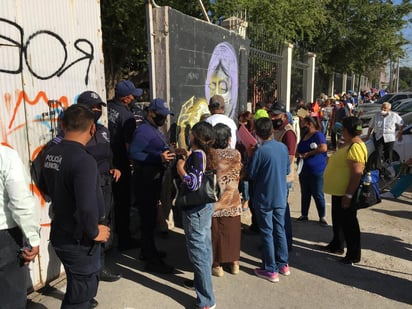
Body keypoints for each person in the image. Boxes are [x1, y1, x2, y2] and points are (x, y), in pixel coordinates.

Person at [42, 104, 111, 308]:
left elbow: (44, 186)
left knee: (77, 288)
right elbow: (87, 205)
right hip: (79, 240)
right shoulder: (84, 161)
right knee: (82, 294)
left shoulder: (50, 153)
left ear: (63, 125)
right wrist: (94, 232)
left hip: (61, 232)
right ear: (92, 129)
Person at [77, 90, 122, 282]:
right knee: (92, 224)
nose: (97, 110)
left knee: (105, 221)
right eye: (93, 107)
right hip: (89, 184)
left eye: (99, 107)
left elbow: (108, 153)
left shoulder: (103, 130)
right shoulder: (77, 132)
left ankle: (100, 264)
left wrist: (113, 168)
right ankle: (92, 269)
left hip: (106, 182)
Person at [129, 98, 175, 274]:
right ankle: (151, 260)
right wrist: (159, 158)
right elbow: (133, 153)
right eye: (161, 115)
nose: (164, 118)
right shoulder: (143, 131)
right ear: (151, 113)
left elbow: (153, 148)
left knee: (149, 219)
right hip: (145, 180)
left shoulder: (152, 129)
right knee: (148, 221)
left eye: (165, 115)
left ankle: (147, 251)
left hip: (153, 178)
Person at [176, 121, 217, 309]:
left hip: (196, 209)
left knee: (198, 252)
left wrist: (181, 168)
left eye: (191, 133)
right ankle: (201, 283)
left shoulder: (199, 155)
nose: (188, 135)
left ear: (195, 137)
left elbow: (193, 183)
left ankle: (206, 300)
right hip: (204, 207)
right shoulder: (202, 153)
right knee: (204, 248)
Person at [247, 117, 290, 283]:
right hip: (280, 196)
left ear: (257, 133)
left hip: (264, 198)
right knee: (280, 230)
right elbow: (286, 170)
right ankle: (283, 264)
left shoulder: (259, 151)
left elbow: (251, 174)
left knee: (267, 232)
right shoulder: (282, 148)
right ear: (272, 131)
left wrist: (250, 155)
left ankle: (270, 269)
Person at [0, 145, 40, 309]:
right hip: (4, 235)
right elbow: (21, 202)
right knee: (10, 299)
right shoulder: (5, 155)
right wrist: (33, 237)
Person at [323, 116, 367, 264]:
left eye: (343, 130)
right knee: (338, 220)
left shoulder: (356, 147)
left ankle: (353, 254)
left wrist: (348, 195)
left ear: (348, 130)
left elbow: (356, 173)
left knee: (349, 224)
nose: (341, 132)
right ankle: (337, 245)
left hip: (346, 192)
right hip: (339, 190)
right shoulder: (349, 144)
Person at [107, 80, 142, 251]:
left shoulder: (107, 108)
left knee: (108, 202)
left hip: (105, 161)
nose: (135, 97)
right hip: (120, 163)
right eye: (133, 95)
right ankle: (124, 240)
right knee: (122, 203)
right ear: (126, 98)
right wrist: (134, 160)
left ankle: (109, 239)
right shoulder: (127, 117)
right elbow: (129, 145)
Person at [211, 123, 242, 277]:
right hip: (233, 199)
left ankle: (217, 265)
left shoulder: (211, 155)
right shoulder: (236, 154)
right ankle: (234, 263)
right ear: (229, 139)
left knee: (215, 233)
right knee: (232, 233)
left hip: (216, 201)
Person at [271, 106, 297, 250]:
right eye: (271, 116)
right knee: (276, 213)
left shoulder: (288, 133)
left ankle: (285, 244)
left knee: (282, 213)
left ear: (283, 116)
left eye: (275, 116)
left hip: (283, 177)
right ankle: (276, 243)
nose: (273, 118)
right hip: (275, 176)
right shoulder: (276, 130)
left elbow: (290, 157)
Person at [296, 116, 328, 225]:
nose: (301, 125)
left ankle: (322, 216)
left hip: (316, 170)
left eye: (303, 123)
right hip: (304, 170)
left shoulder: (318, 135)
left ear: (310, 124)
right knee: (305, 193)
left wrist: (309, 153)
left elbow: (323, 148)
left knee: (318, 193)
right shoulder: (304, 135)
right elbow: (298, 149)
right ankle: (304, 214)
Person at [365, 102, 404, 172]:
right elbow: (371, 126)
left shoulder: (394, 115)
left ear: (389, 109)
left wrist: (400, 133)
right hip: (378, 137)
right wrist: (368, 136)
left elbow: (401, 123)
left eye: (385, 108)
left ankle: (388, 170)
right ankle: (378, 170)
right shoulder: (377, 115)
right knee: (378, 153)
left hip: (389, 138)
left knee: (388, 154)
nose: (383, 109)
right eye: (382, 107)